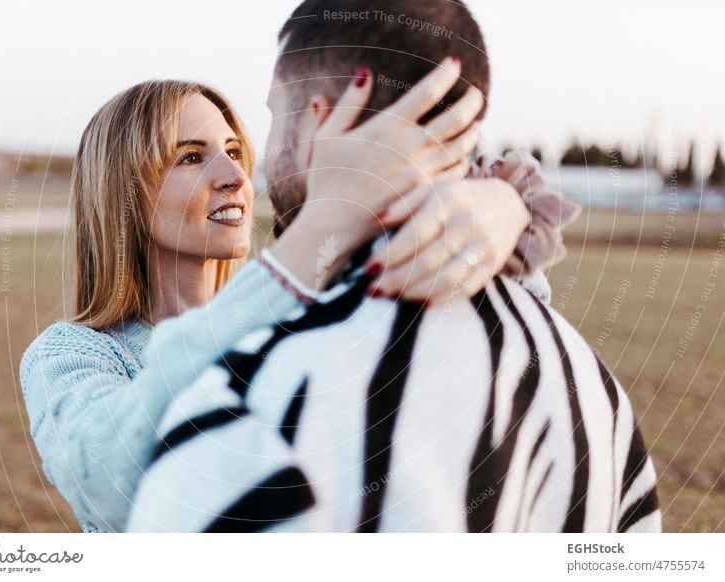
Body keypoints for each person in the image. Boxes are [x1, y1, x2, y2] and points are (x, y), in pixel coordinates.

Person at [127, 0, 661, 533]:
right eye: (191, 157)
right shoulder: (595, 393)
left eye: (273, 116)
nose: (245, 169)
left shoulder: (252, 403)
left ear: (317, 122)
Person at [19, 63, 557, 530]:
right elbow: (115, 489)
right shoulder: (71, 356)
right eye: (189, 157)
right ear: (123, 192)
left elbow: (503, 366)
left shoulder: (307, 315)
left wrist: (502, 206)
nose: (235, 177)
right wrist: (311, 241)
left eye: (234, 151)